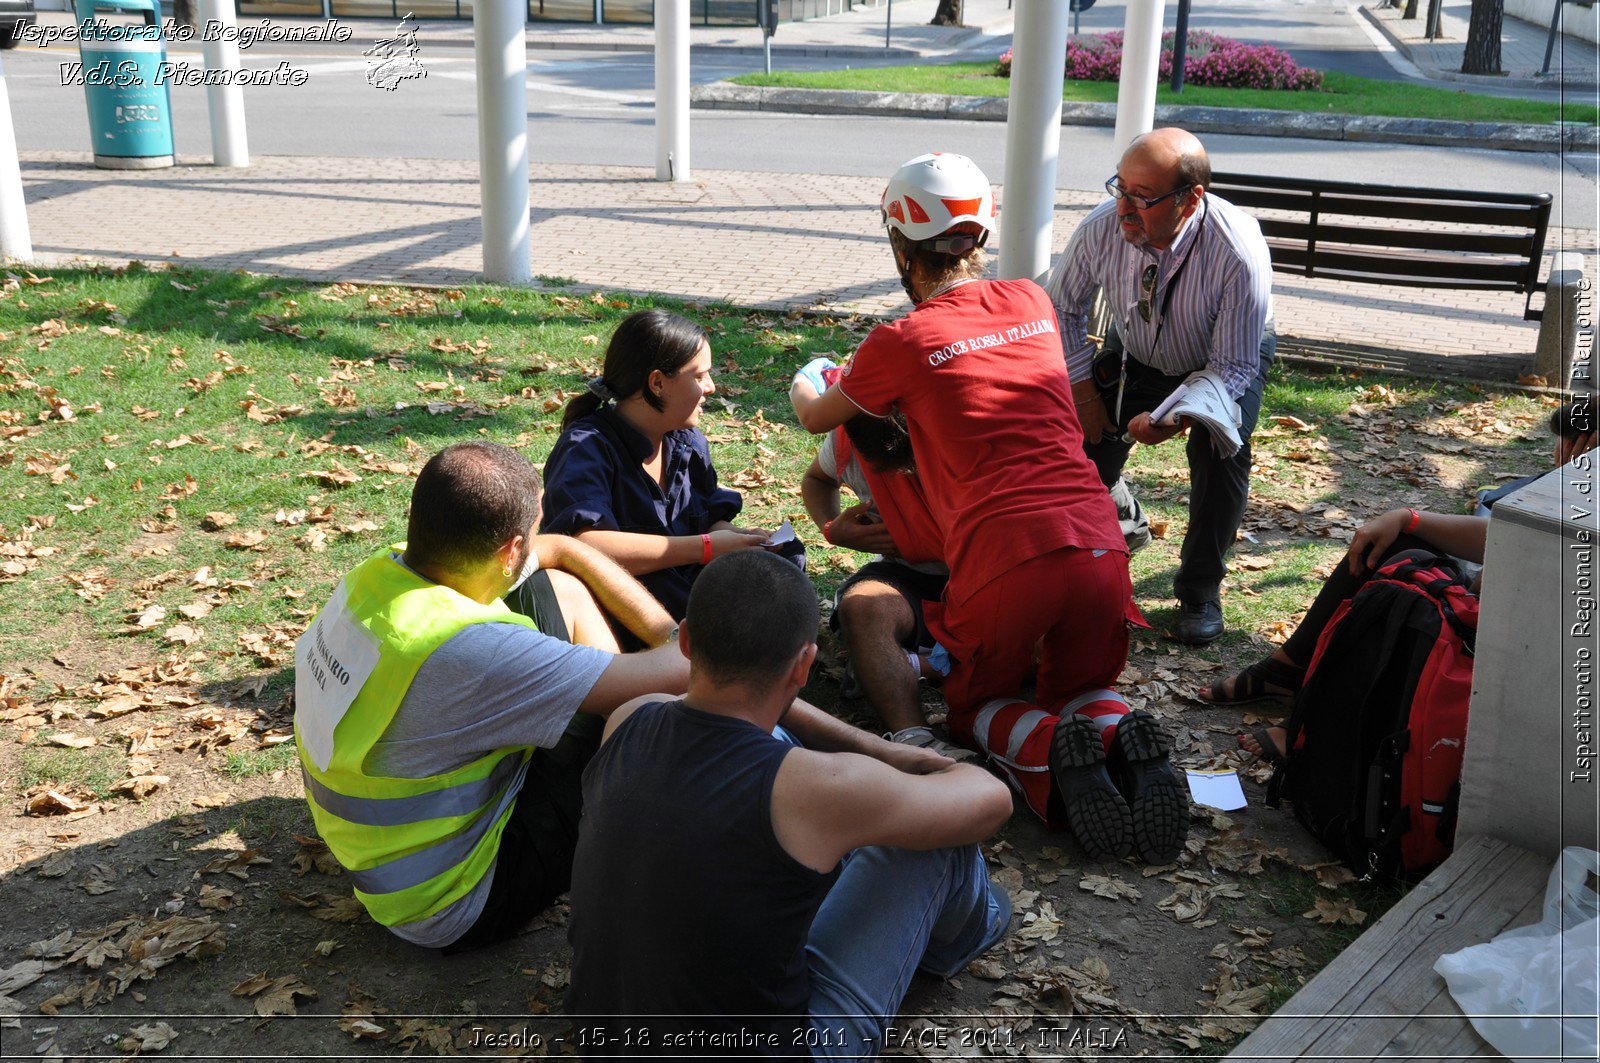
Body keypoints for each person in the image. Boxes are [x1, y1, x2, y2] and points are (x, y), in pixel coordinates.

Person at [790, 152, 1186, 865]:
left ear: (901, 245)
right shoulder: (1032, 303)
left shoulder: (899, 342)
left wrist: (809, 384)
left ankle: (1046, 760)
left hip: (1005, 556)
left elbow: (821, 414)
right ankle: (1122, 737)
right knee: (1080, 686)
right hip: (1099, 544)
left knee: (977, 707)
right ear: (980, 234)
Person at [566, 551, 1013, 1058]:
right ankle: (968, 933)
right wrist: (913, 765)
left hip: (605, 1044)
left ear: (686, 641)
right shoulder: (814, 789)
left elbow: (740, 715)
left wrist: (879, 749)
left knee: (775, 746)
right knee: (936, 844)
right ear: (804, 664)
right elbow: (992, 801)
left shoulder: (628, 719)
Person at [292, 441, 691, 953]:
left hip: (383, 866)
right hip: (458, 904)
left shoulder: (377, 579)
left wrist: (560, 550)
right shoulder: (470, 651)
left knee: (558, 591)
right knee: (639, 714)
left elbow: (556, 552)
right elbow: (679, 671)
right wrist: (671, 637)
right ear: (507, 551)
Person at [1045, 127, 1275, 645]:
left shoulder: (1237, 250)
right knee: (1076, 450)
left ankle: (1199, 591)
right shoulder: (1103, 227)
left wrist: (1176, 418)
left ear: (1191, 198)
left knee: (1222, 455)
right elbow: (1059, 306)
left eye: (1142, 198)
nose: (1124, 209)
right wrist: (1081, 392)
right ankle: (1090, 548)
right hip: (1136, 353)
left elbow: (1233, 367)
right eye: (1119, 188)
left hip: (1221, 363)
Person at [541, 308, 798, 623]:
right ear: (658, 383)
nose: (712, 387)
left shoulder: (687, 440)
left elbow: (704, 520)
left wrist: (742, 539)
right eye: (700, 376)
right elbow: (584, 546)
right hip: (626, 600)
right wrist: (704, 548)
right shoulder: (587, 448)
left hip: (686, 579)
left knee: (787, 558)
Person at [799, 400, 968, 759]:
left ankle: (920, 664)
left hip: (983, 573)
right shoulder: (848, 429)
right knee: (861, 607)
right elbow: (816, 480)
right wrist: (832, 529)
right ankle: (913, 737)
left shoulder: (966, 427)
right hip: (904, 575)